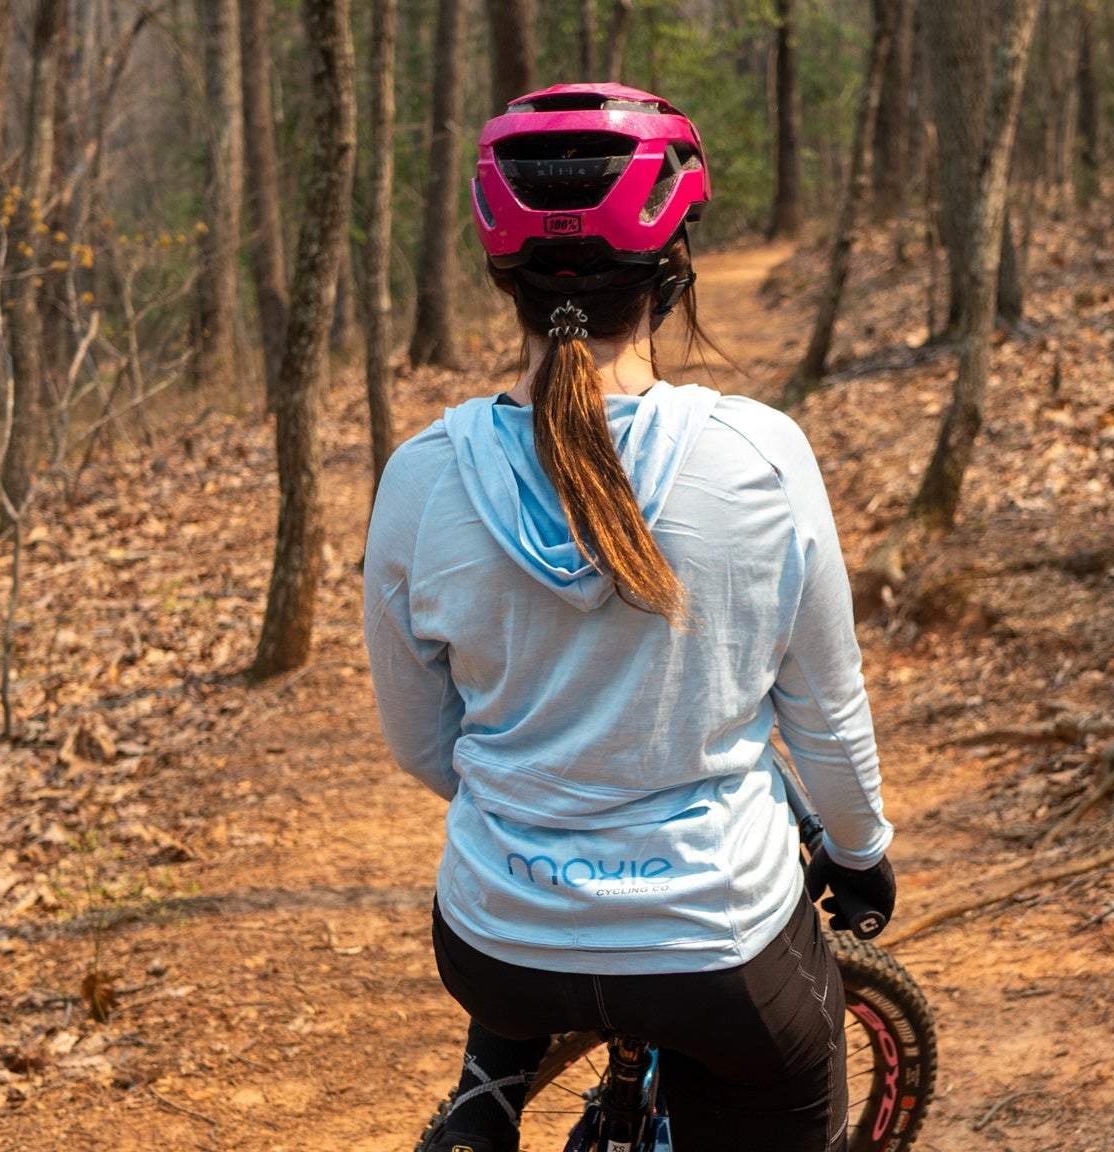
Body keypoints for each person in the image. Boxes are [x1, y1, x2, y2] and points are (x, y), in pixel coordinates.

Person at [362, 83, 895, 1152]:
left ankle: (486, 1095)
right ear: (676, 267)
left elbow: (422, 739)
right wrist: (859, 850)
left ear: (497, 270)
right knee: (788, 1065)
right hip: (714, 949)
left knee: (521, 979)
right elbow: (824, 718)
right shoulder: (757, 459)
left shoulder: (419, 480)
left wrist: (546, 807)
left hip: (495, 941)